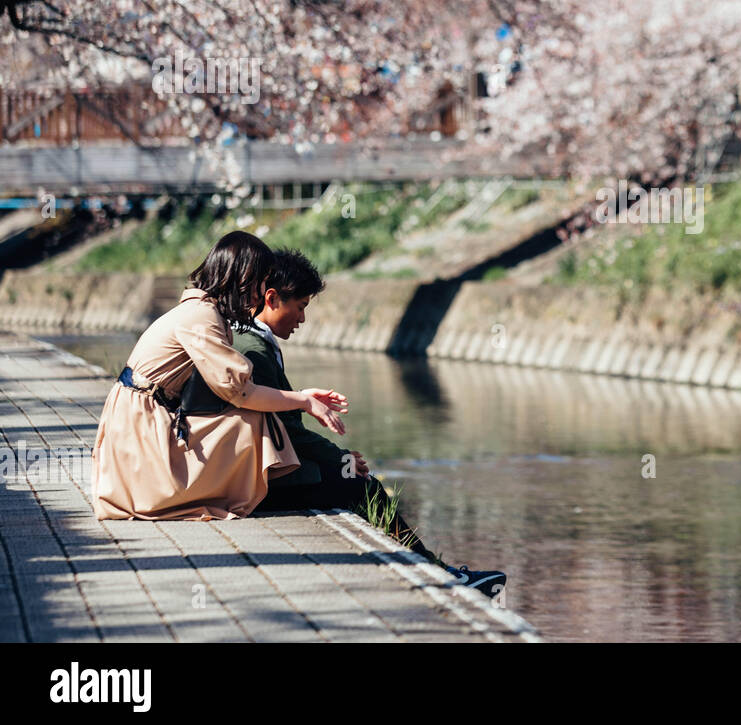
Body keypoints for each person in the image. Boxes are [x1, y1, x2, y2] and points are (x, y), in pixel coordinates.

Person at [179, 247, 507, 598]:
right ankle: (440, 577)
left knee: (353, 479)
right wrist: (340, 458)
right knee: (360, 485)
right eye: (300, 306)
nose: (302, 319)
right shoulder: (254, 350)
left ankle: (430, 570)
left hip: (243, 469)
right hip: (251, 485)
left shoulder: (250, 339)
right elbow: (287, 432)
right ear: (272, 299)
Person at [91, 231, 349, 520]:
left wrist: (300, 398)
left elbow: (232, 390)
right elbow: (242, 393)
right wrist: (304, 402)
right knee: (251, 418)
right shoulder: (202, 318)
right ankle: (260, 494)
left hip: (140, 419)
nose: (261, 294)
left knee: (248, 417)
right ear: (244, 279)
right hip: (139, 429)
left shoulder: (202, 312)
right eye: (261, 282)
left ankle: (252, 491)